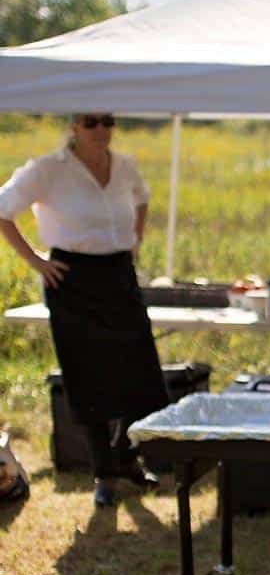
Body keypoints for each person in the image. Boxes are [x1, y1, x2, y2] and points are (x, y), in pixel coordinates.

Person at [0, 113, 167, 508]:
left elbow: (142, 198)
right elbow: (3, 211)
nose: (101, 130)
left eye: (107, 121)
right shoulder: (48, 170)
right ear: (74, 125)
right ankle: (104, 472)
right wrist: (37, 262)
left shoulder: (124, 166)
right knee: (87, 374)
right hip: (71, 278)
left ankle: (126, 456)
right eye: (91, 122)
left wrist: (136, 239)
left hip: (118, 273)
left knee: (140, 370)